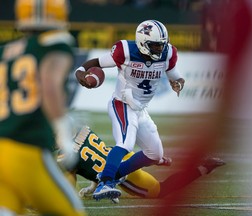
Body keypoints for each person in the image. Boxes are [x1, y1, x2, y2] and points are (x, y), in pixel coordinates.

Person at [75, 19, 185, 201]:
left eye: (161, 45)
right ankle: (106, 182)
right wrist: (80, 71)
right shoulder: (125, 50)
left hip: (141, 109)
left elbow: (176, 76)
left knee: (155, 153)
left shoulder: (168, 53)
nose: (160, 49)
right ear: (142, 42)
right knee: (125, 144)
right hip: (122, 104)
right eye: (155, 46)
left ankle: (113, 175)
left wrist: (178, 83)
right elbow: (97, 61)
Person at [0, 0, 86, 215]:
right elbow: (49, 85)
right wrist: (64, 133)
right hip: (27, 147)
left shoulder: (7, 50)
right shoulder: (56, 43)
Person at [58, 125, 225, 201]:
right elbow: (97, 158)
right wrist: (92, 187)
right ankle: (156, 159)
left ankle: (202, 168)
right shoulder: (83, 129)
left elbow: (69, 185)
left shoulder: (64, 154)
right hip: (121, 158)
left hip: (122, 174)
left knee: (161, 191)